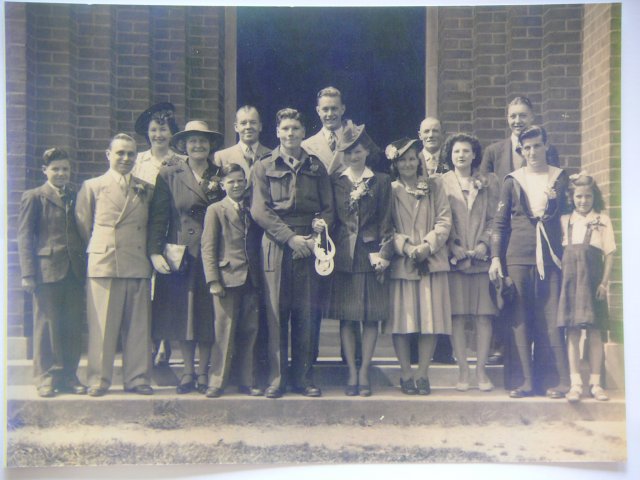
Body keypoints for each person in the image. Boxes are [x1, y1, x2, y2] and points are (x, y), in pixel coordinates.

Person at [251, 108, 334, 398]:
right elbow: (260, 210)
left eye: (296, 129)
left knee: (307, 314)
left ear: (302, 132)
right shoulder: (263, 166)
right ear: (277, 132)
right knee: (276, 313)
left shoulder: (316, 166)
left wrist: (313, 239)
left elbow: (328, 208)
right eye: (285, 128)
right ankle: (276, 379)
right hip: (277, 244)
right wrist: (290, 239)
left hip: (309, 246)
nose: (290, 134)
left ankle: (304, 378)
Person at [489, 125, 570, 399]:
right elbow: (499, 224)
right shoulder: (513, 180)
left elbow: (567, 219)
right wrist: (496, 259)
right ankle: (523, 381)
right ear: (521, 151)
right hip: (518, 256)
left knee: (551, 319)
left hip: (551, 258)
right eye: (527, 148)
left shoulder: (559, 178)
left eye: (537, 145)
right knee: (520, 319)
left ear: (546, 145)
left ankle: (557, 381)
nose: (532, 152)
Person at [480, 95, 559, 366]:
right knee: (508, 298)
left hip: (539, 240)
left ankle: (543, 369)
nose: (517, 120)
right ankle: (505, 351)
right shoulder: (494, 152)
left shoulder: (547, 153)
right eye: (513, 116)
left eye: (522, 115)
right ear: (507, 118)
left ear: (532, 117)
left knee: (540, 306)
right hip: (507, 232)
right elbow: (489, 194)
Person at [147, 120, 225, 395]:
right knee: (183, 314)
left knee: (206, 315)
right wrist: (155, 252)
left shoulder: (221, 173)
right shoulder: (169, 173)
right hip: (181, 253)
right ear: (183, 145)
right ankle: (187, 372)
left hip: (212, 252)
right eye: (192, 141)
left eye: (203, 140)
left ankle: (204, 372)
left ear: (211, 144)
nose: (198, 145)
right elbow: (159, 217)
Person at [75, 134, 154, 396]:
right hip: (105, 262)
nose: (126, 158)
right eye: (120, 153)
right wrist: (104, 247)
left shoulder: (145, 187)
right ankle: (98, 379)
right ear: (108, 155)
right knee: (102, 325)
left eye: (131, 153)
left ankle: (137, 378)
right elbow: (84, 226)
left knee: (138, 327)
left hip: (136, 261)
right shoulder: (93, 186)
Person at [328, 124, 393, 397]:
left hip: (370, 255)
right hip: (343, 255)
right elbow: (331, 219)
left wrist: (384, 254)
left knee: (369, 318)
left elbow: (386, 222)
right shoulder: (336, 181)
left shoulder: (380, 181)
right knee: (347, 318)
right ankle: (351, 372)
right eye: (349, 152)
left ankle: (364, 371)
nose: (354, 156)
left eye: (358, 150)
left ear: (367, 151)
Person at [18, 147, 87, 397]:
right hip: (46, 269)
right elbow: (25, 237)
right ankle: (45, 377)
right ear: (45, 170)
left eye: (65, 169)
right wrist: (27, 274)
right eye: (56, 169)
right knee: (47, 325)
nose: (61, 173)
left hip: (73, 271)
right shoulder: (34, 196)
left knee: (71, 325)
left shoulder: (74, 194)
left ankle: (69, 375)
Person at [385, 138, 452, 395]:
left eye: (412, 158)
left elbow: (445, 220)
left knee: (429, 319)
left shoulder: (434, 186)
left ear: (419, 160)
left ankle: (423, 373)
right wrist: (405, 246)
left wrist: (427, 245)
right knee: (403, 320)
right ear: (395, 163)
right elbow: (385, 226)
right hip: (403, 262)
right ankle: (405, 372)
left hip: (430, 261)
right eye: (402, 160)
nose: (408, 164)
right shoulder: (390, 190)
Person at [440, 134, 499, 391]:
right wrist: (453, 244)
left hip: (481, 258)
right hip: (455, 259)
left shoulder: (487, 182)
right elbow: (439, 218)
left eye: (466, 151)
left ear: (474, 154)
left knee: (483, 317)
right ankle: (463, 370)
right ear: (450, 156)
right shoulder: (439, 183)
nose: (461, 155)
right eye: (456, 152)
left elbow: (494, 218)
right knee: (458, 316)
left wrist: (485, 244)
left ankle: (481, 371)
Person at [201, 163, 263, 398]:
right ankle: (217, 381)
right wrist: (213, 280)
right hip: (227, 279)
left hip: (252, 279)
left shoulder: (252, 209)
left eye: (239, 180)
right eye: (231, 182)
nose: (236, 185)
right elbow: (208, 248)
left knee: (250, 330)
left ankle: (247, 381)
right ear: (222, 185)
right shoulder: (215, 210)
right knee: (224, 332)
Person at [132, 102, 186, 367]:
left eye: (163, 130)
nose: (158, 135)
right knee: (145, 292)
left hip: (168, 232)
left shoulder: (180, 161)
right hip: (141, 231)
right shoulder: (137, 161)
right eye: (154, 130)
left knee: (165, 291)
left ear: (171, 133)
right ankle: (146, 347)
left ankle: (164, 345)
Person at [558, 172, 616, 403]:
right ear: (572, 197)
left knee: (594, 332)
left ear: (594, 197)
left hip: (593, 283)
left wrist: (604, 282)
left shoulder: (603, 220)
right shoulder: (565, 221)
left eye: (588, 196)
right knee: (571, 332)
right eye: (579, 196)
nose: (583, 201)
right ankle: (575, 384)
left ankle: (595, 383)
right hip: (571, 282)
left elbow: (610, 254)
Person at [417, 116, 455, 364]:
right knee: (417, 297)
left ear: (442, 134)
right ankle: (415, 351)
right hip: (416, 236)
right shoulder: (410, 159)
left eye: (436, 131)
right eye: (427, 131)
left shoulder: (450, 162)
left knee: (441, 297)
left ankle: (442, 351)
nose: (431, 135)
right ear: (420, 135)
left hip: (445, 236)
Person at [214, 105, 271, 182]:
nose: (248, 127)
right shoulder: (221, 157)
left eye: (253, 122)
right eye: (243, 123)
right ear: (236, 127)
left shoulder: (271, 155)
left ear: (260, 126)